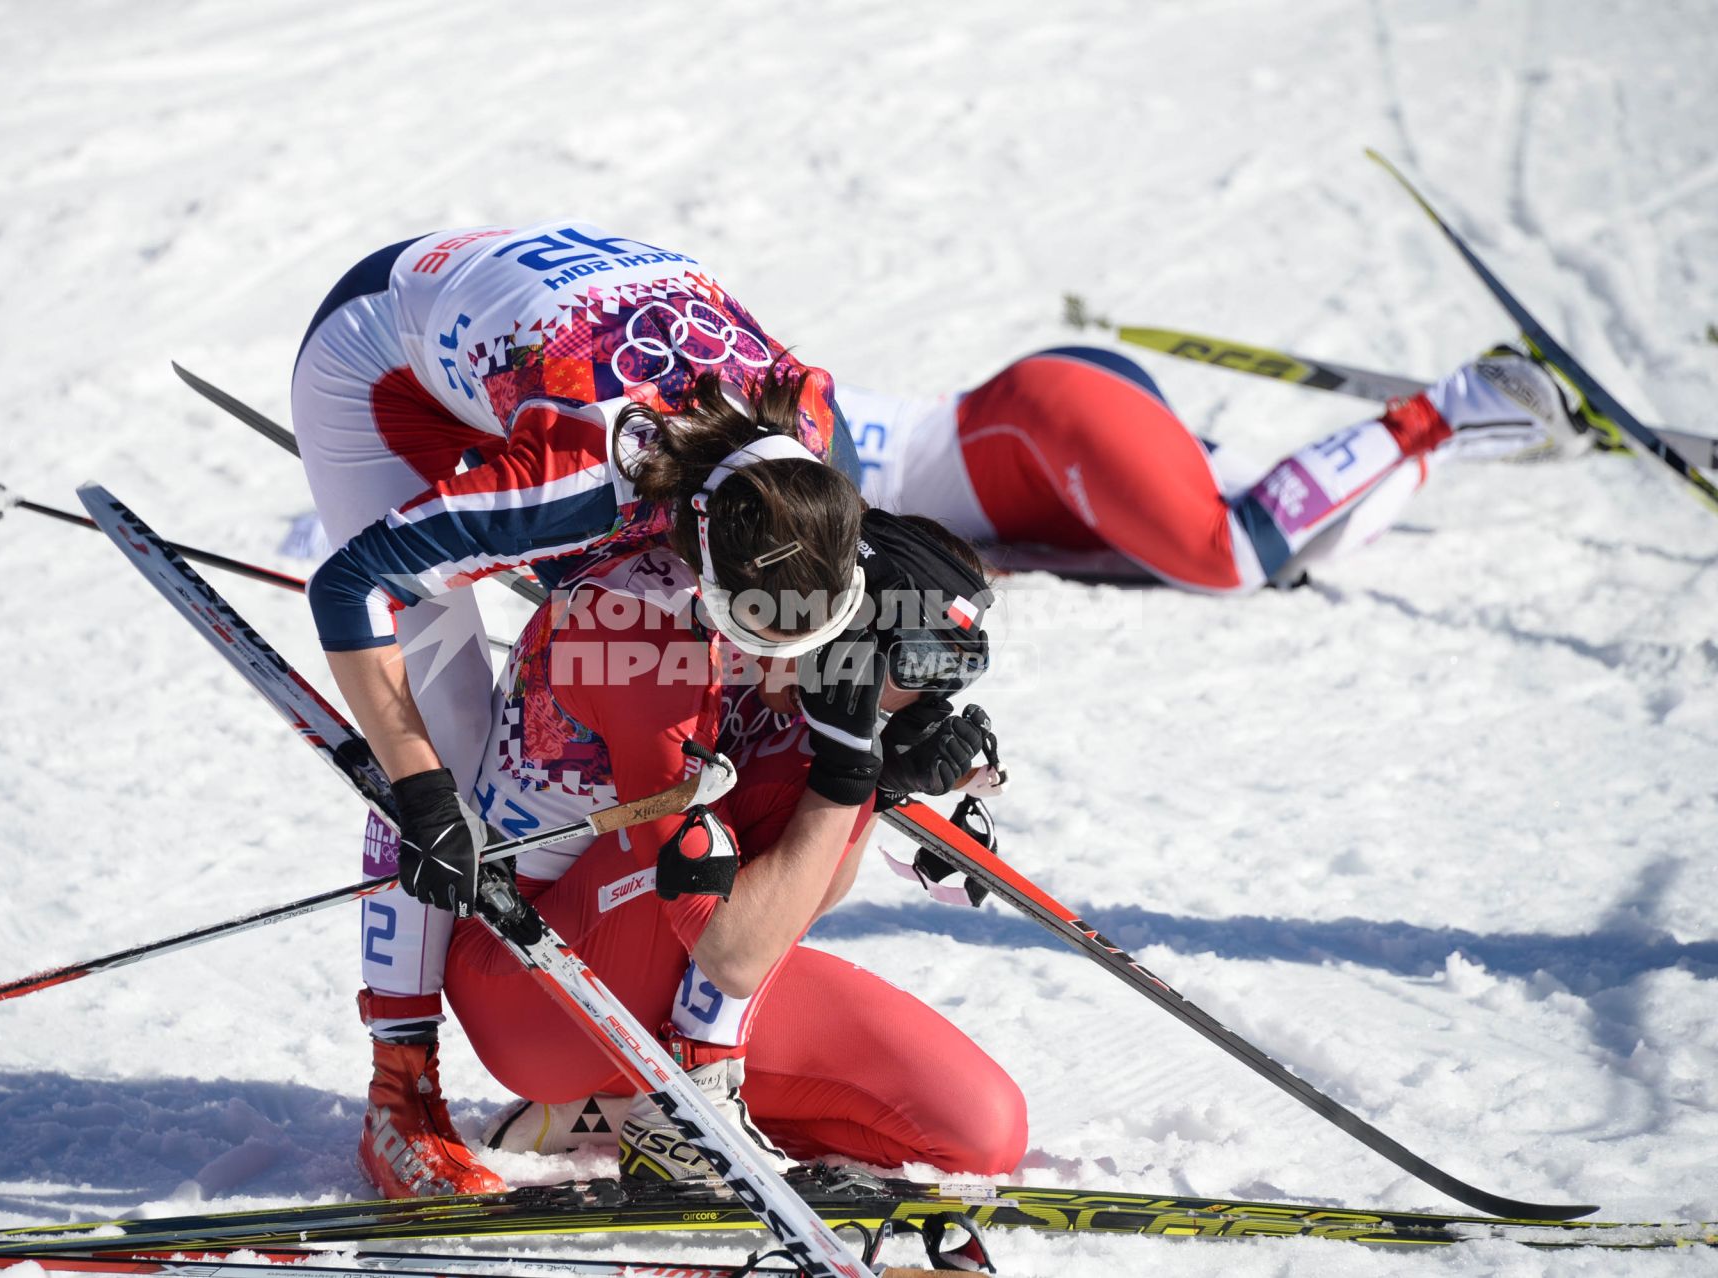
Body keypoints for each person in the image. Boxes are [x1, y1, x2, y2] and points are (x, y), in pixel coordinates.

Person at [290, 220, 870, 1198]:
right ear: (692, 528)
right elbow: (344, 589)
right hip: (378, 361)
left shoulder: (814, 429)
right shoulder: (569, 478)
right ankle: (400, 1092)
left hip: (550, 335)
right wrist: (420, 782)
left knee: (630, 608)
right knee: (450, 732)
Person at [446, 488, 1024, 1179]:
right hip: (530, 982)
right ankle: (691, 1099)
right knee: (798, 772)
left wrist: (873, 780)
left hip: (649, 965)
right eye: (923, 663)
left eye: (955, 673)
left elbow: (802, 900)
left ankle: (615, 1110)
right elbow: (737, 956)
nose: (930, 697)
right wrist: (845, 769)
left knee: (981, 1130)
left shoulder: (786, 671)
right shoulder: (671, 643)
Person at [837, 345, 1590, 590]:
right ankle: (1462, 430)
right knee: (1294, 545)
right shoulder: (755, 399)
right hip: (1047, 433)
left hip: (1038, 430)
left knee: (1227, 554)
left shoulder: (746, 435)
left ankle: (1447, 407)